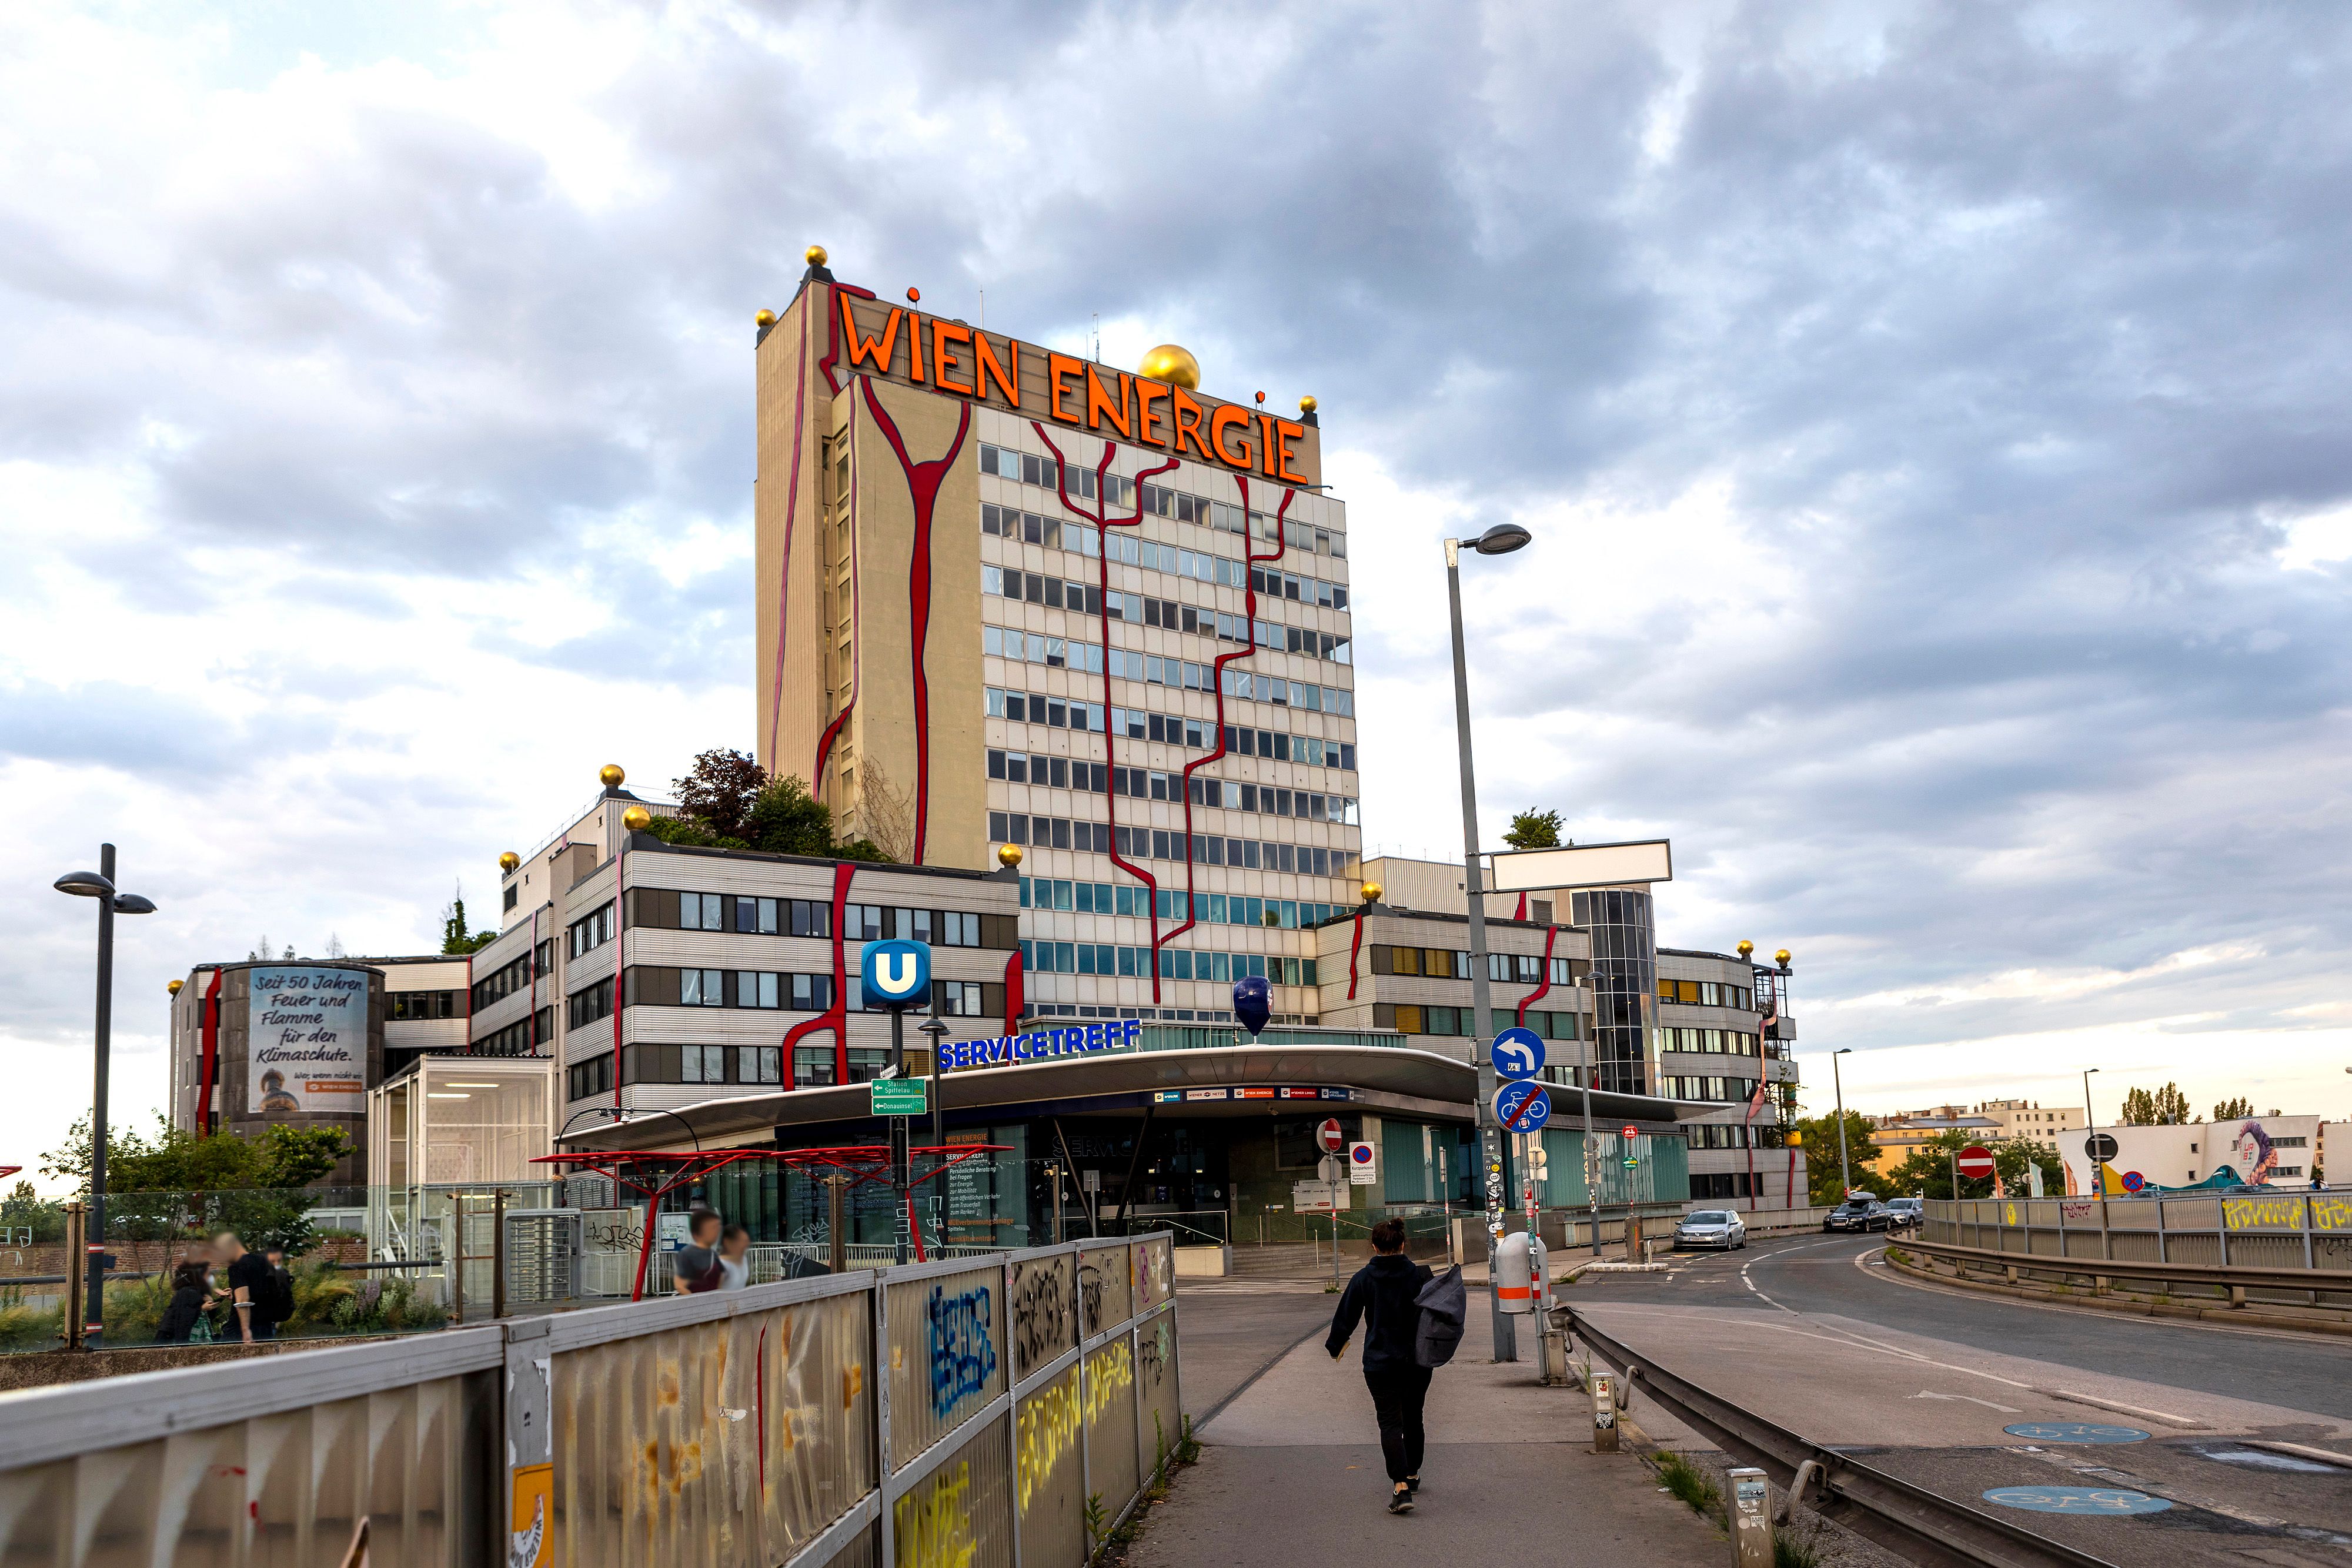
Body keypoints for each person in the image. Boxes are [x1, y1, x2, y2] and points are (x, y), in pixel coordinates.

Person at [1325, 1218, 1435, 1514]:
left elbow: (1345, 1316)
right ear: (1403, 1244)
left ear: (1374, 1246)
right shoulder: (1421, 1277)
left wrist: (1336, 1345)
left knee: (1390, 1423)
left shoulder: (1364, 1278)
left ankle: (1400, 1487)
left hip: (1380, 1362)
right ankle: (1412, 1474)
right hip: (1417, 1361)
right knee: (1414, 1417)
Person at [213, 1231, 275, 1343]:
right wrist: (235, 1294)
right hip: (265, 1326)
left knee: (221, 1356)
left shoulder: (236, 1266)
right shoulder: (263, 1261)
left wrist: (245, 1330)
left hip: (241, 1327)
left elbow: (243, 1299)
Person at [157, 1259, 214, 1343]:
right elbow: (184, 1314)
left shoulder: (195, 1292)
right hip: (174, 1336)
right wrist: (201, 1308)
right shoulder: (188, 1292)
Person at [673, 1209, 724, 1295]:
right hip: (697, 1304)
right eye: (712, 1228)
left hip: (714, 1303)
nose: (717, 1232)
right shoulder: (687, 1254)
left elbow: (720, 1281)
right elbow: (680, 1286)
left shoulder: (713, 1253)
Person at [715, 1225, 751, 1290]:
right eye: (741, 1241)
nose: (746, 1245)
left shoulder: (744, 1260)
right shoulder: (719, 1264)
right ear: (727, 1242)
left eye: (746, 1241)